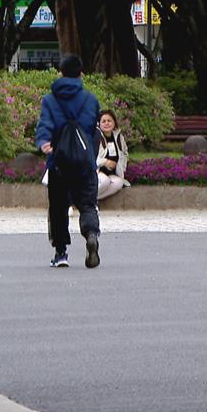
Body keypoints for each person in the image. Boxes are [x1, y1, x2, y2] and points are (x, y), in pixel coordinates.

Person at [35, 54, 101, 269]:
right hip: (84, 161)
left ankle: (61, 252)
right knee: (87, 204)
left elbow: (45, 124)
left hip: (58, 161)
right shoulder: (90, 99)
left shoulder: (50, 99)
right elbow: (91, 128)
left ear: (60, 73)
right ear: (81, 74)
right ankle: (91, 234)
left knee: (58, 207)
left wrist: (45, 142)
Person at [96, 109, 130, 200]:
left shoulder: (119, 137)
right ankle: (83, 201)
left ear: (114, 122)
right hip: (96, 171)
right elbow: (89, 156)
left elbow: (125, 154)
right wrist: (105, 162)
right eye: (103, 121)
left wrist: (121, 167)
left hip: (112, 173)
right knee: (104, 181)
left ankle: (88, 202)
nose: (107, 123)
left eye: (109, 121)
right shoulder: (95, 137)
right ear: (99, 124)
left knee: (118, 183)